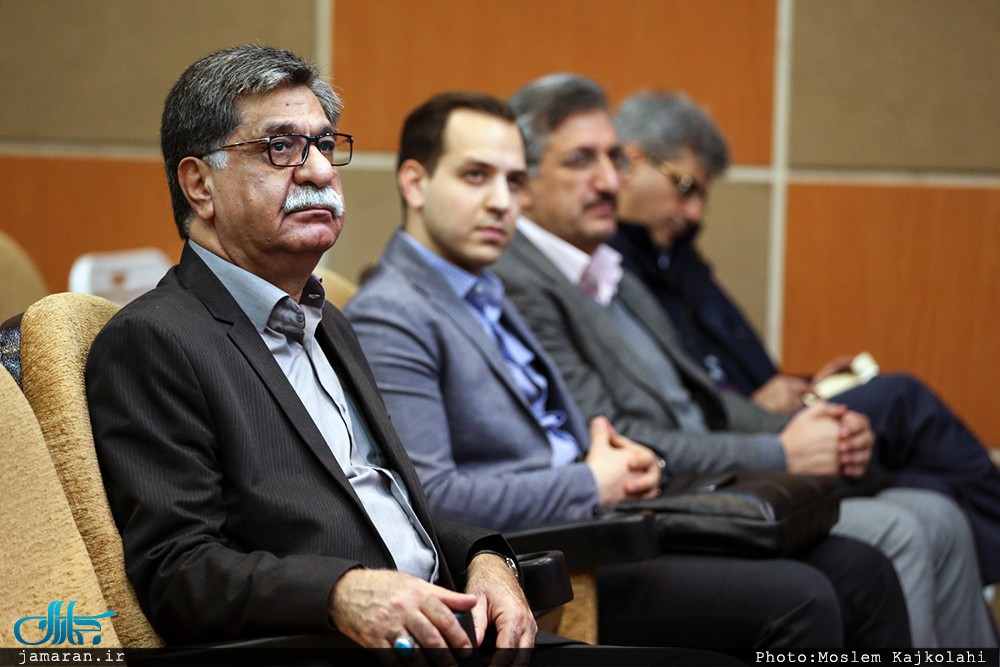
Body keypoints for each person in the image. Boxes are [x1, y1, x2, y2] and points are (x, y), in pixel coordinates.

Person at [86, 46, 737, 666]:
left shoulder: (329, 323)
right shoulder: (155, 340)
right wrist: (342, 593)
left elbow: (392, 502)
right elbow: (176, 570)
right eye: (280, 147)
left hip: (452, 631)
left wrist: (484, 557)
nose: (318, 171)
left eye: (323, 145)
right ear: (199, 185)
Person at [345, 90, 912, 652]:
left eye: (514, 181)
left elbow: (564, 431)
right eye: (476, 176)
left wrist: (620, 458)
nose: (501, 202)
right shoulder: (392, 312)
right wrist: (592, 480)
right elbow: (432, 499)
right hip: (544, 562)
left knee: (861, 570)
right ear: (415, 184)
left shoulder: (485, 290)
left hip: (606, 522)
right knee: (803, 598)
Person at [490, 72, 997, 649]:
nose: (610, 180)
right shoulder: (519, 281)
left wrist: (807, 426)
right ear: (523, 181)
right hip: (666, 496)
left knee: (935, 512)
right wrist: (782, 450)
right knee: (902, 525)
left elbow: (707, 399)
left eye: (615, 159)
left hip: (714, 474)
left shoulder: (608, 267)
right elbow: (613, 434)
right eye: (582, 161)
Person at [609, 90, 1000, 585]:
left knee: (934, 494)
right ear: (633, 161)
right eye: (686, 187)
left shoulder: (675, 257)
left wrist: (803, 385)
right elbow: (673, 398)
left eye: (701, 195)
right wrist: (757, 405)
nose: (694, 213)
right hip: (734, 443)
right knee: (903, 400)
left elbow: (719, 361)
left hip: (769, 416)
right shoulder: (609, 269)